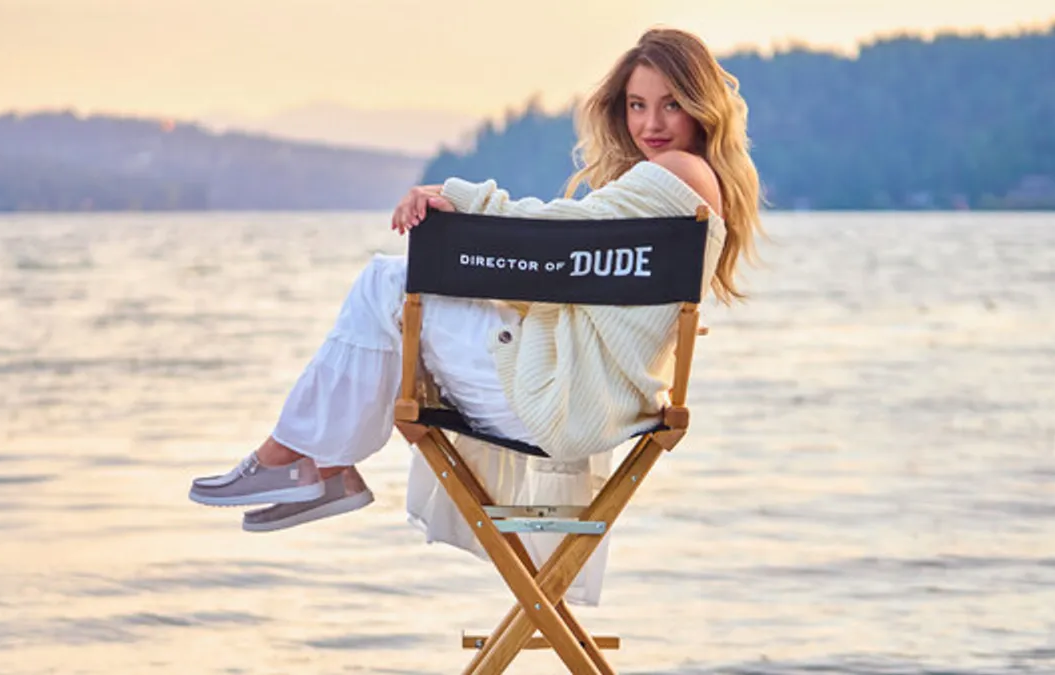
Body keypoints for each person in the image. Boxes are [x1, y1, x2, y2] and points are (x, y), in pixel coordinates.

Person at [189, 26, 762, 603]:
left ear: (701, 106)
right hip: (591, 395)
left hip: (561, 397)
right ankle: (316, 464)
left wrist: (455, 197)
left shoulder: (677, 176)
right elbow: (564, 273)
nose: (650, 124)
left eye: (671, 104)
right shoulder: (687, 183)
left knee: (386, 282)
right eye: (637, 105)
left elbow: (551, 240)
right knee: (390, 288)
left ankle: (300, 461)